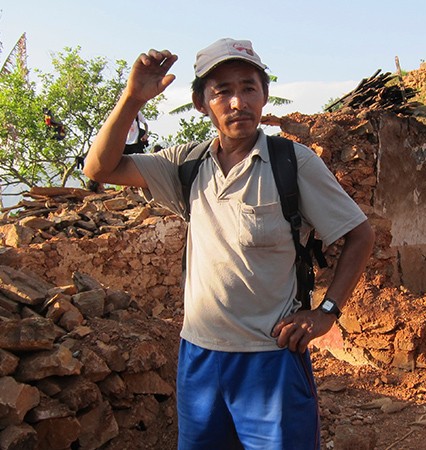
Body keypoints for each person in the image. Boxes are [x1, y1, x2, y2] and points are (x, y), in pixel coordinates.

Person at [84, 38, 375, 449]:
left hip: (270, 358)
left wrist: (327, 312)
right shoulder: (185, 164)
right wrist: (133, 99)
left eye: (248, 88)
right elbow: (100, 169)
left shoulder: (293, 163)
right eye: (222, 91)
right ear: (201, 103)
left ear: (264, 96)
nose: (238, 102)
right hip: (199, 358)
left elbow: (360, 234)